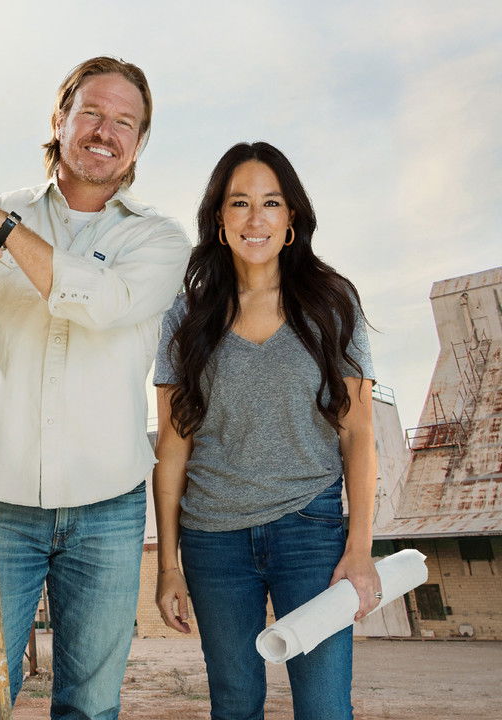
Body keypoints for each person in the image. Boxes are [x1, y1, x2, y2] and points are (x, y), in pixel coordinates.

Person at [0, 57, 190, 719]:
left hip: (109, 509)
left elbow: (102, 303)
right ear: (58, 122)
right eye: (90, 112)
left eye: (125, 122)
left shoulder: (158, 240)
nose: (104, 131)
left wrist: (1, 230)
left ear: (139, 143)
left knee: (89, 705)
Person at [152, 141, 382, 720]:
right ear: (220, 220)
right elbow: (172, 449)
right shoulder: (185, 317)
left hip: (312, 530)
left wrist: (359, 549)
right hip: (213, 541)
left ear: (292, 220)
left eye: (271, 202)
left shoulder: (333, 304)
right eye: (239, 203)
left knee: (326, 706)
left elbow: (358, 436)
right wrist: (168, 564)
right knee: (234, 705)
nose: (256, 218)